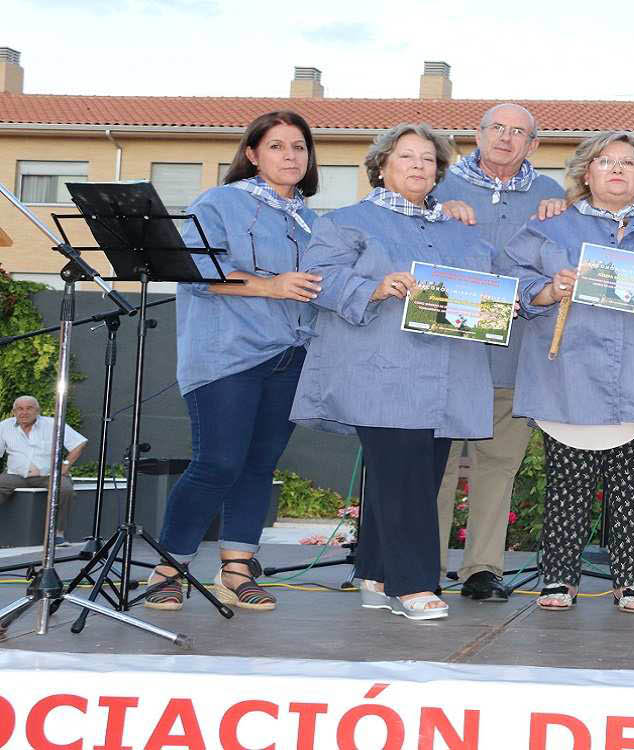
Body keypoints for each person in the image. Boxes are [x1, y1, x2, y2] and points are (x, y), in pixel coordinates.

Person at [503, 131, 634, 614]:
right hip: (570, 372)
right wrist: (547, 288)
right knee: (569, 483)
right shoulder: (553, 226)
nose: (617, 170)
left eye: (628, 162)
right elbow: (510, 274)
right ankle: (558, 578)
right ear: (586, 171)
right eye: (606, 161)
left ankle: (631, 580)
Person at [291, 123, 497, 621]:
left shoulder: (460, 230)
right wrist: (376, 287)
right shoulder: (345, 221)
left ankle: (377, 573)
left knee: (414, 478)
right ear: (382, 166)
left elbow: (486, 290)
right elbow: (318, 281)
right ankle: (414, 584)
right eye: (407, 157)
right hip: (381, 372)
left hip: (448, 376)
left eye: (428, 159)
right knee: (402, 477)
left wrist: (495, 305)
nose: (418, 166)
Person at [144, 111, 321, 612]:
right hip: (226, 357)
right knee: (218, 463)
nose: (290, 156)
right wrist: (271, 285)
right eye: (277, 146)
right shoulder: (218, 202)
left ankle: (236, 570)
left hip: (292, 355)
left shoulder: (312, 219)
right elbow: (195, 270)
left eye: (299, 148)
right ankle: (167, 568)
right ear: (252, 154)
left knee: (259, 467)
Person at [430, 103, 565, 601]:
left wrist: (564, 217)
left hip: (514, 350)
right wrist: (434, 213)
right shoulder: (435, 188)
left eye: (518, 133)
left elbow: (562, 263)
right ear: (478, 135)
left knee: (498, 462)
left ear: (533, 144)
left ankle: (483, 569)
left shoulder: (553, 196)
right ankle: (424, 564)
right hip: (445, 351)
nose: (506, 139)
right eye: (497, 129)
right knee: (436, 463)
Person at [0, 395, 86, 544]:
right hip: (16, 476)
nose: (24, 412)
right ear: (14, 411)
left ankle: (57, 534)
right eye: (20, 409)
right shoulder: (4, 426)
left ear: (37, 410)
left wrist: (65, 465)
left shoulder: (52, 424)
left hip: (49, 475)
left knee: (65, 489)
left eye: (29, 408)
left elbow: (79, 443)